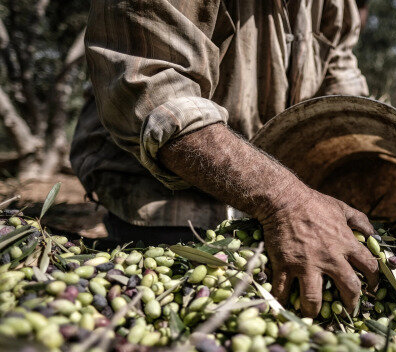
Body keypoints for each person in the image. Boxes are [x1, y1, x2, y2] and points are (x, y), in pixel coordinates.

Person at [70, 0, 378, 318]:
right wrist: (288, 201)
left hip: (267, 198)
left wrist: (366, 168)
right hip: (164, 199)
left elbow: (341, 84)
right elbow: (154, 92)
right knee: (172, 309)